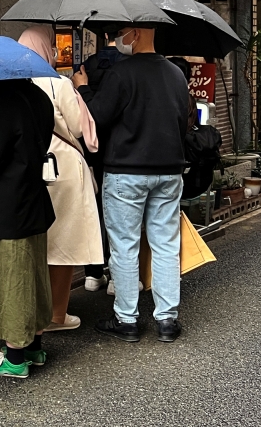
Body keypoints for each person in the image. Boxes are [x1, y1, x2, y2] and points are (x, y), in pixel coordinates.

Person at [72, 25, 190, 343]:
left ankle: (127, 319)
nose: (117, 40)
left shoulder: (122, 74)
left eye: (122, 32)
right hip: (169, 170)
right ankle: (167, 320)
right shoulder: (176, 74)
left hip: (127, 170)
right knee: (166, 245)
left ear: (136, 34)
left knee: (125, 246)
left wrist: (82, 88)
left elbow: (96, 116)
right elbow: (185, 119)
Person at [17, 26, 103, 332]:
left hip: (26, 169)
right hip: (62, 168)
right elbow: (80, 129)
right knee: (63, 242)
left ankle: (30, 311)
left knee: (35, 243)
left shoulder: (13, 83)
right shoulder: (58, 83)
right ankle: (56, 314)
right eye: (52, 47)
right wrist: (80, 92)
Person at [0, 78, 55, 379]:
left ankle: (15, 358)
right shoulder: (40, 98)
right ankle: (34, 348)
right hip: (33, 200)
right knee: (33, 275)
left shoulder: (2, 104)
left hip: (2, 208)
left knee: (10, 280)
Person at [80, 32, 123, 292]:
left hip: (89, 153)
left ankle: (93, 273)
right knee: (121, 218)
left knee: (92, 212)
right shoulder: (128, 68)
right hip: (120, 153)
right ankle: (119, 277)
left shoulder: (86, 65)